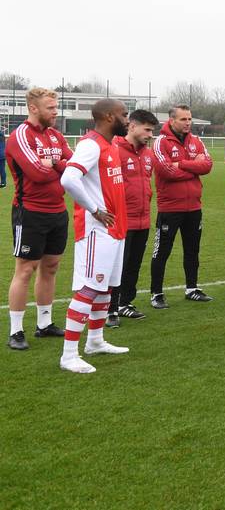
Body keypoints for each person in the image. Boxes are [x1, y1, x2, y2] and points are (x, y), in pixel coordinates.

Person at [58, 99, 131, 373]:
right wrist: (95, 209)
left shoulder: (111, 145)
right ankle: (68, 356)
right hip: (96, 230)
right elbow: (68, 179)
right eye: (124, 115)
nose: (127, 120)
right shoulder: (90, 145)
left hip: (114, 229)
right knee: (89, 288)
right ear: (109, 116)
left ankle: (96, 341)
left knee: (106, 289)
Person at [6, 87, 71, 350]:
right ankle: (16, 331)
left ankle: (44, 324)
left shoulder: (56, 135)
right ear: (33, 108)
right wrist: (59, 167)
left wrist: (53, 164)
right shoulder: (20, 135)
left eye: (56, 108)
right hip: (30, 212)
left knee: (51, 266)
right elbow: (37, 174)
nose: (55, 112)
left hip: (58, 211)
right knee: (25, 269)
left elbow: (74, 167)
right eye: (51, 108)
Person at [150, 104, 214, 307]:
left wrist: (183, 164)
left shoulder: (196, 140)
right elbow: (166, 171)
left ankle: (192, 288)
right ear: (171, 121)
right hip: (170, 208)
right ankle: (156, 294)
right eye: (183, 119)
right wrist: (195, 166)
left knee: (192, 250)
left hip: (194, 207)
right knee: (162, 252)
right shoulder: (161, 143)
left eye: (189, 119)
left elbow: (208, 165)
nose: (188, 123)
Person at [108, 109, 159, 326]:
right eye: (146, 129)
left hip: (143, 219)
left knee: (134, 265)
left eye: (152, 130)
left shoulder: (148, 154)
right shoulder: (114, 149)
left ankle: (125, 303)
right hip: (121, 220)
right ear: (132, 126)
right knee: (116, 265)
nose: (149, 134)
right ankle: (110, 310)